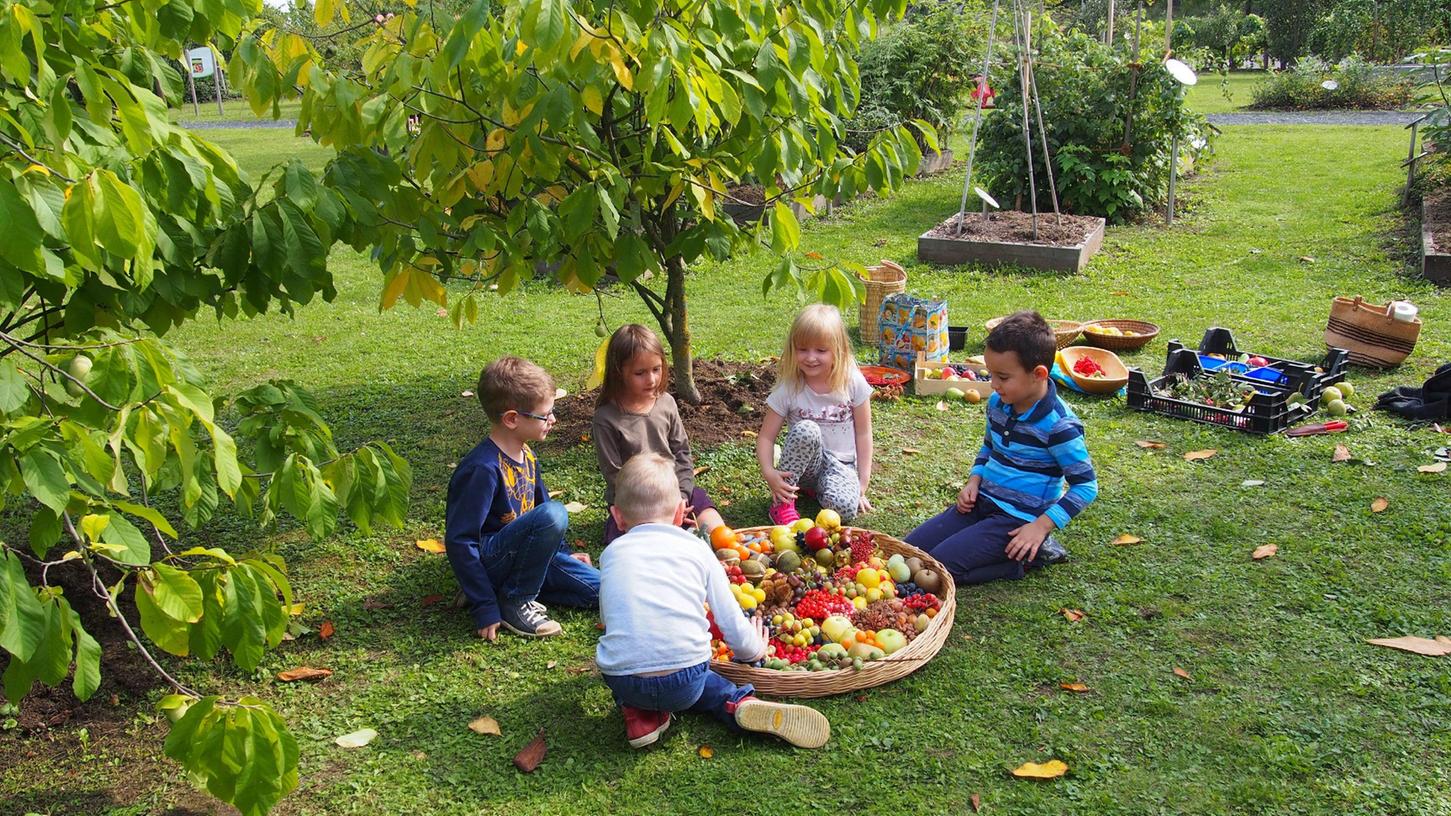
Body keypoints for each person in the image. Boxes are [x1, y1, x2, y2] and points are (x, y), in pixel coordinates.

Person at [595, 453, 832, 749]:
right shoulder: (695, 548)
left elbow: (607, 620)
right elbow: (729, 617)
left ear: (617, 516)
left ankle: (640, 715)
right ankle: (736, 704)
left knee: (623, 658)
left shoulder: (611, 554)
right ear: (682, 512)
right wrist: (752, 649)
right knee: (705, 681)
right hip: (685, 678)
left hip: (623, 680)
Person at [905, 311, 1096, 585]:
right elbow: (989, 447)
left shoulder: (1059, 426)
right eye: (991, 374)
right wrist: (974, 480)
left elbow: (1086, 486)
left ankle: (1024, 559)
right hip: (981, 504)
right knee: (910, 552)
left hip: (1016, 521)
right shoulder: (998, 403)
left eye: (1003, 377)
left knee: (939, 573)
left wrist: (1040, 527)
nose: (993, 384)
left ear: (1038, 374)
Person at [445, 356, 600, 640]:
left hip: (525, 556)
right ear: (512, 419)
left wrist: (561, 553)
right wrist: (484, 605)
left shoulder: (526, 453)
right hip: (492, 559)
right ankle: (514, 601)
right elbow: (461, 542)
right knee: (555, 514)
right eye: (546, 414)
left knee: (604, 591)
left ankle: (517, 586)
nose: (553, 420)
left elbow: (538, 508)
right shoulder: (481, 469)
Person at [592, 324, 725, 546]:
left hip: (674, 490)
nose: (651, 379)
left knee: (716, 530)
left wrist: (680, 496)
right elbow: (614, 474)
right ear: (618, 371)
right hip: (635, 500)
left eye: (656, 369)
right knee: (637, 544)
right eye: (640, 373)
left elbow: (681, 452)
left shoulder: (666, 403)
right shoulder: (606, 418)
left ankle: (706, 542)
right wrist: (657, 507)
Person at [758, 304, 875, 526]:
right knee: (807, 429)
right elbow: (766, 437)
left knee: (844, 509)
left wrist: (861, 483)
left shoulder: (852, 381)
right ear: (793, 349)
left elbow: (863, 432)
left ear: (838, 350)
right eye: (803, 349)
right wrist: (769, 472)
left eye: (821, 350)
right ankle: (782, 504)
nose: (811, 357)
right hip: (806, 465)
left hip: (841, 464)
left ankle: (822, 490)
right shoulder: (790, 387)